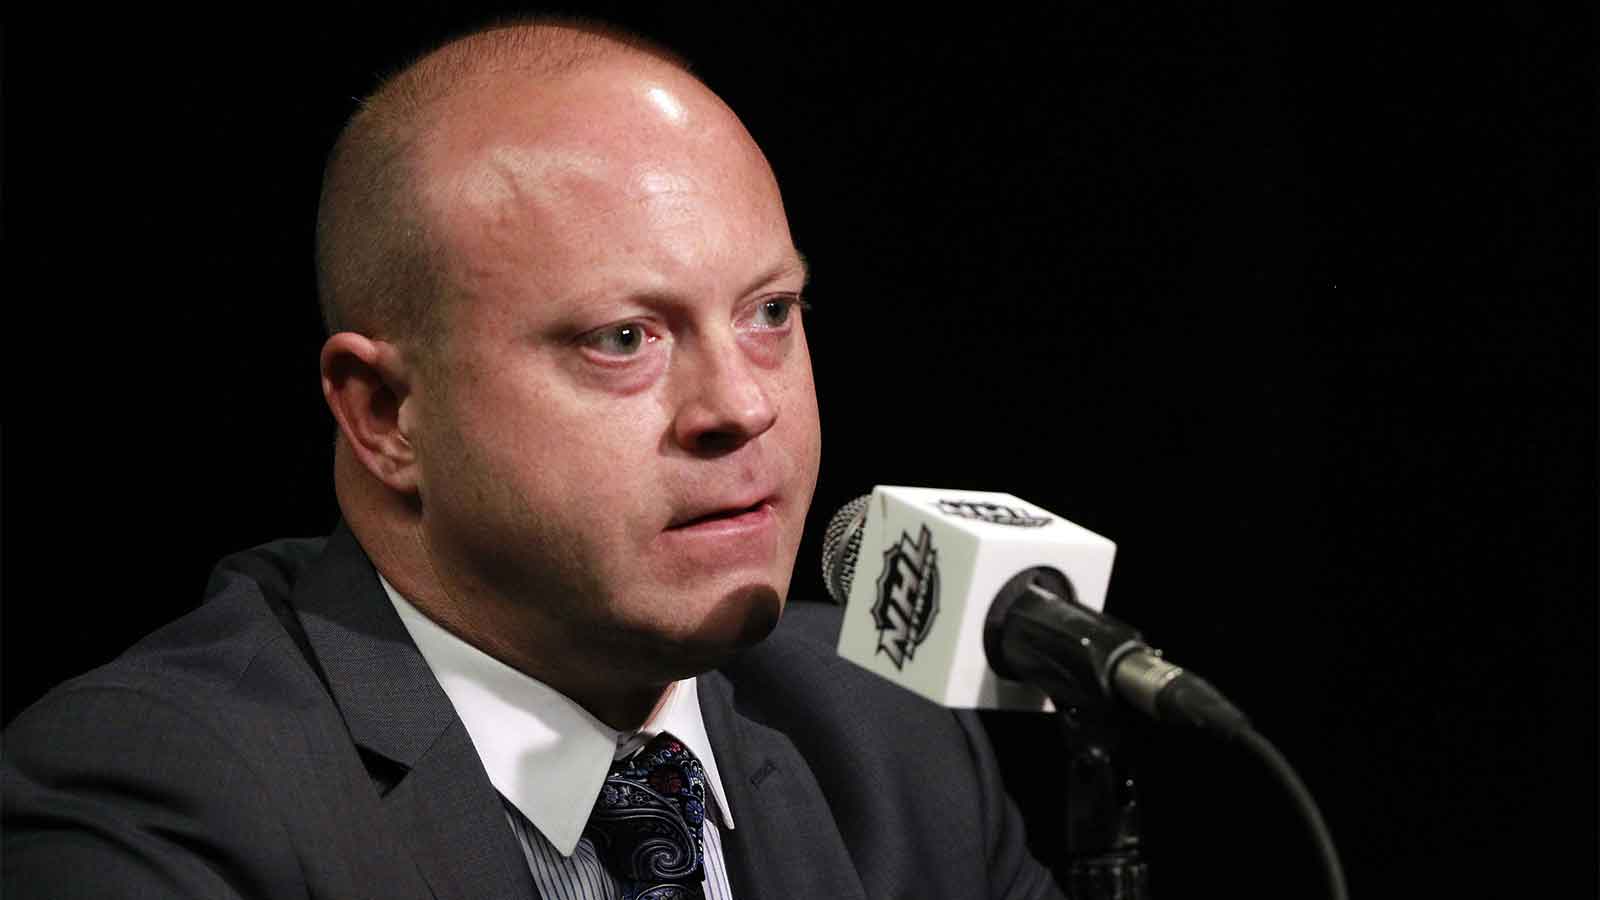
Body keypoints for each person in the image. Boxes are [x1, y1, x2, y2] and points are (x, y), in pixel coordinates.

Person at [3, 18, 1064, 899]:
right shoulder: (161, 793)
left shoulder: (891, 741)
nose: (741, 407)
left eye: (769, 313)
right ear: (384, 414)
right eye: (622, 339)